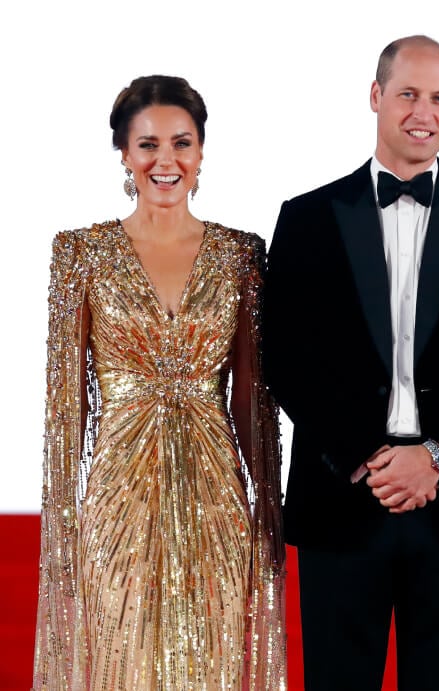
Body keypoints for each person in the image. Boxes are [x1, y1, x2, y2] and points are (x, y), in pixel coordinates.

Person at [263, 35, 439, 690]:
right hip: (342, 499)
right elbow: (288, 352)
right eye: (410, 94)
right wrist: (366, 456)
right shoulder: (306, 217)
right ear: (376, 97)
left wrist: (437, 456)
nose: (425, 112)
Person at [33, 75, 286, 689]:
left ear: (201, 153)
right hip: (118, 495)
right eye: (148, 145)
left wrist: (269, 511)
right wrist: (65, 520)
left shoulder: (241, 255)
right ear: (123, 153)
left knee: (213, 660)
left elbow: (254, 398)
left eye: (182, 143)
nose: (165, 161)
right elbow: (64, 410)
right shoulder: (81, 254)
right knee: (124, 659)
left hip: (217, 493)